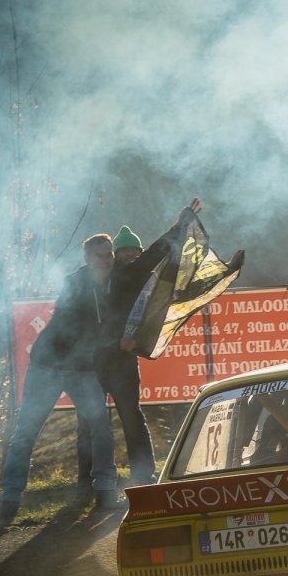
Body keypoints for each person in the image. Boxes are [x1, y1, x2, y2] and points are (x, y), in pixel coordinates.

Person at [0, 234, 119, 519]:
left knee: (101, 424)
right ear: (87, 259)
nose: (106, 260)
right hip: (48, 366)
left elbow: (145, 265)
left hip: (82, 369)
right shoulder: (75, 283)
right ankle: (10, 497)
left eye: (109, 255)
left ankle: (105, 488)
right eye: (100, 255)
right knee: (26, 431)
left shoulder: (116, 282)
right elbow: (73, 320)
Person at [92, 199, 202, 487]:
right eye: (123, 250)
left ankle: (143, 475)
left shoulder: (137, 275)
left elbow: (155, 254)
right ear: (113, 255)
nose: (129, 255)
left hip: (124, 359)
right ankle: (90, 480)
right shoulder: (98, 279)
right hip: (98, 359)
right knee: (89, 421)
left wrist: (178, 228)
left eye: (133, 250)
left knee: (131, 415)